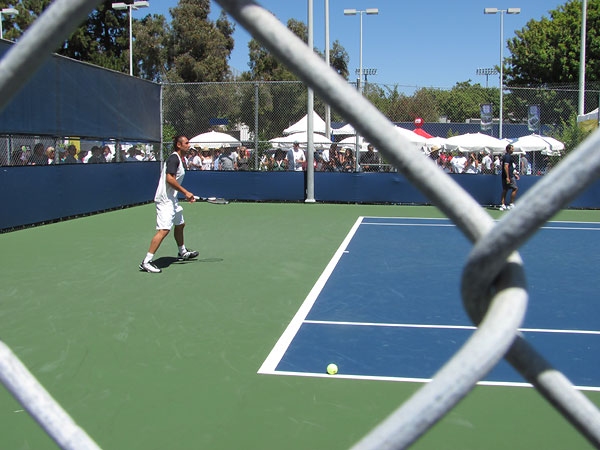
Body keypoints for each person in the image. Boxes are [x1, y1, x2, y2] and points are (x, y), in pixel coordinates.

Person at [139, 135, 198, 273]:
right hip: (165, 200)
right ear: (179, 145)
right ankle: (146, 262)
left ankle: (182, 252)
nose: (189, 145)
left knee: (180, 224)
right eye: (186, 143)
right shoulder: (173, 158)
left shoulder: (180, 159)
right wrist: (186, 192)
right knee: (164, 230)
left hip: (172, 199)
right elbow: (169, 179)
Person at [499, 144, 520, 211]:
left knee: (505, 189)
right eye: (512, 149)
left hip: (509, 175)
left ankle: (504, 205)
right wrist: (508, 177)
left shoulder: (508, 156)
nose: (513, 150)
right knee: (515, 188)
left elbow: (510, 168)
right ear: (508, 149)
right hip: (509, 176)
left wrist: (515, 174)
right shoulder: (507, 157)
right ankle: (509, 204)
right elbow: (506, 167)